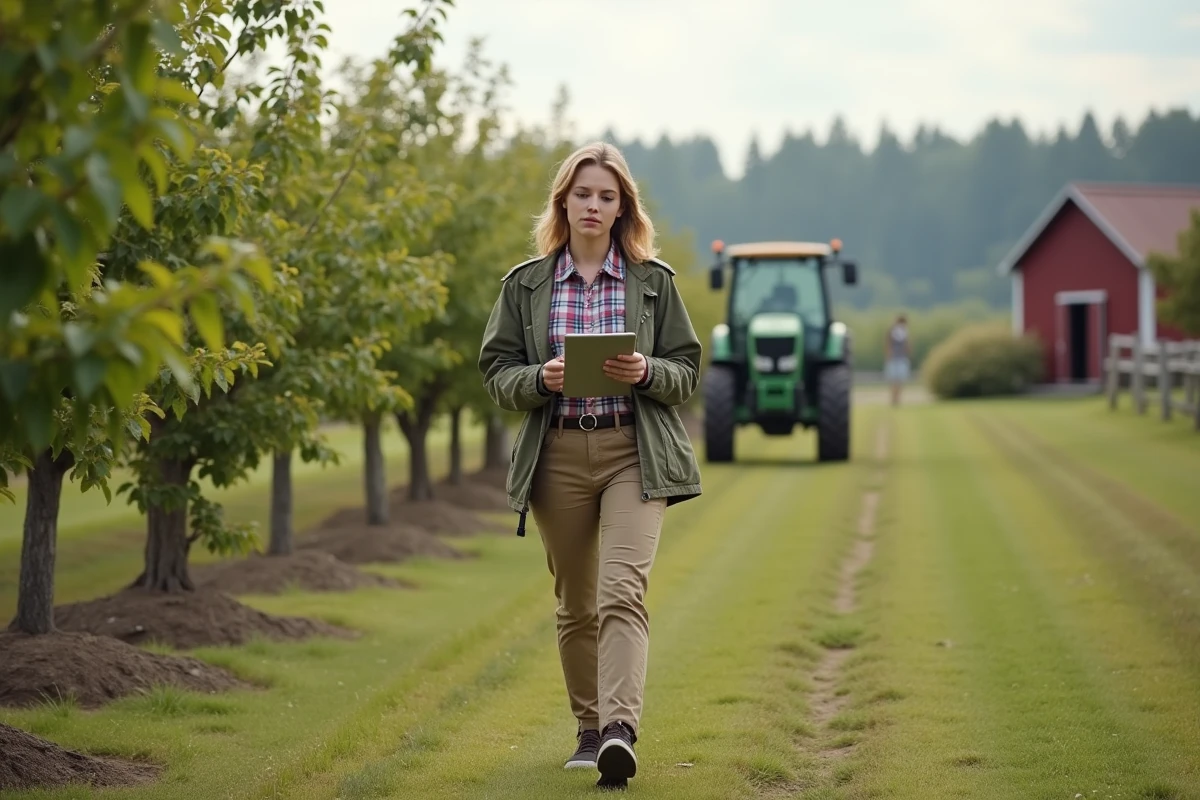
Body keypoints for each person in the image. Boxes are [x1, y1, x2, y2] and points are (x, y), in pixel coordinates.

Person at [477, 141, 703, 790]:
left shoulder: (653, 283)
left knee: (621, 591)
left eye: (608, 196)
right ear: (564, 202)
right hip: (559, 455)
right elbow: (496, 373)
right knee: (576, 604)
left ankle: (619, 733)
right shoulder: (524, 286)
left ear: (623, 207)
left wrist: (647, 370)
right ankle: (588, 725)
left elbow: (685, 371)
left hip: (634, 451)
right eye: (583, 194)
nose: (594, 206)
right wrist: (539, 379)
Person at [884, 313, 912, 406]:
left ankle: (896, 399)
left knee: (898, 380)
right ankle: (894, 399)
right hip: (895, 358)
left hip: (900, 358)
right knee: (895, 380)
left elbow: (907, 346)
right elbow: (888, 344)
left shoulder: (904, 332)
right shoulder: (893, 331)